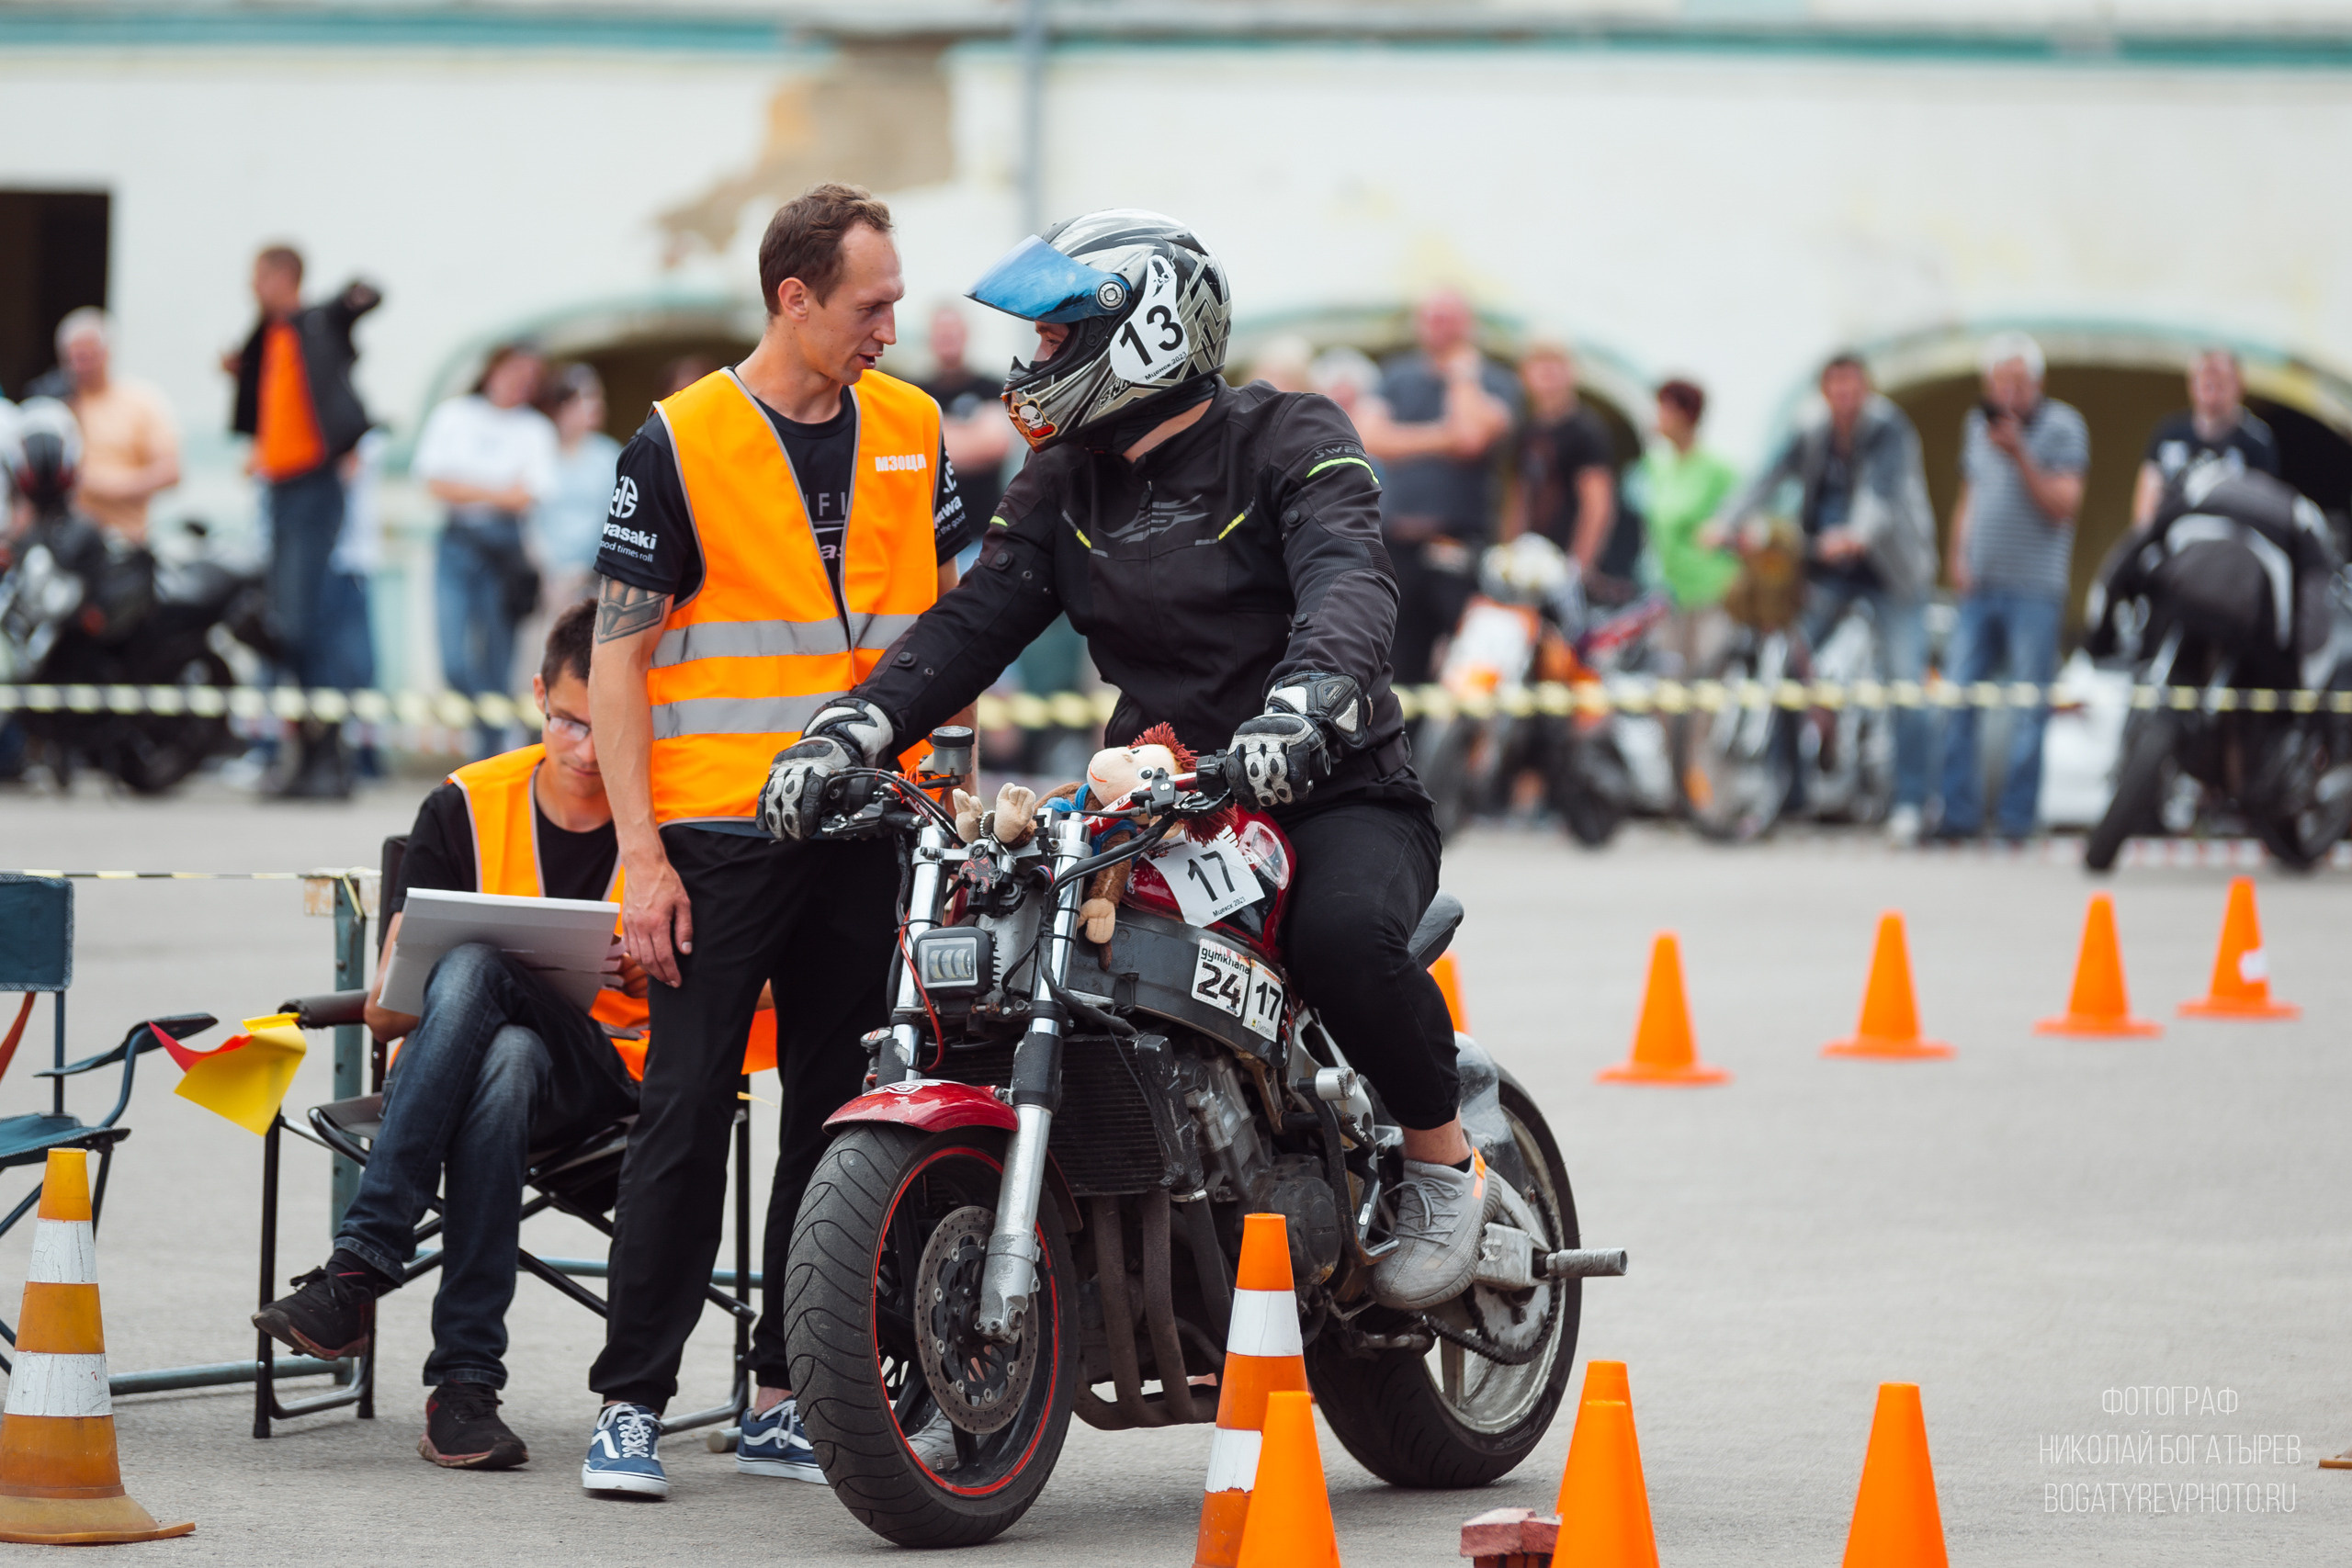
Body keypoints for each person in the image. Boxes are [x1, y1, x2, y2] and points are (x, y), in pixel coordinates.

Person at [763, 208, 1499, 1322]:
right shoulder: (1065, 480)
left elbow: (1349, 584)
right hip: (1155, 799)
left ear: (1149, 332)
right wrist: (852, 728)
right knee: (999, 951)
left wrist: (1304, 710)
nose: (1034, 360)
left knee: (1344, 937)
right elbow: (976, 619)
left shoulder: (1290, 437)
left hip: (1326, 790)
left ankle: (1445, 1166)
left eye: (1059, 337)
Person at [582, 183, 969, 1500]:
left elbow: (952, 621)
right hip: (718, 831)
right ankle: (630, 1397)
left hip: (869, 823)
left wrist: (951, 778)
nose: (891, 326)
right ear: (794, 297)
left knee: (836, 1107)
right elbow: (618, 660)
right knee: (687, 1102)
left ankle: (779, 1387)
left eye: (897, 301)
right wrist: (641, 855)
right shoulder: (677, 443)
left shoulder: (916, 428)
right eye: (872, 304)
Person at [251, 602, 647, 1475]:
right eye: (567, 721)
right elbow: (391, 1019)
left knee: (474, 967)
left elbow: (755, 987)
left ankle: (357, 1268)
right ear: (537, 693)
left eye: (606, 723)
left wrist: (653, 966)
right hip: (474, 1085)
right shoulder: (465, 805)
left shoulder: (664, 811)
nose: (584, 748)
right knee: (501, 1052)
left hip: (612, 1086)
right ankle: (463, 1393)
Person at [1718, 354, 1939, 843]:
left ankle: (1910, 803)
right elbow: (1767, 478)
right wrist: (1728, 521)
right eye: (1835, 385)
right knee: (1791, 666)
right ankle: (1788, 793)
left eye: (1853, 385)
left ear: (1867, 389)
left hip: (1892, 572)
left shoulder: (1889, 430)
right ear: (1824, 391)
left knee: (1905, 683)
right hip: (1829, 570)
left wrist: (1855, 534)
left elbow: (1881, 494)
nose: (1844, 394)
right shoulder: (1812, 430)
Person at [225, 244, 381, 796]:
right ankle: (313, 761)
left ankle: (326, 761)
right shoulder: (266, 337)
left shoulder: (316, 324)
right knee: (295, 625)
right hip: (280, 489)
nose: (252, 286)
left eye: (258, 276)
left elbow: (354, 308)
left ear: (282, 276)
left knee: (297, 624)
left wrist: (357, 296)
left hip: (315, 487)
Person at [1935, 332, 2088, 842]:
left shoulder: (2065, 427)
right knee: (1957, 700)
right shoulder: (1974, 428)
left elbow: (2062, 505)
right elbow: (1970, 494)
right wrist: (1959, 553)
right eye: (2000, 383)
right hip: (1981, 586)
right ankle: (1957, 816)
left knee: (2029, 708)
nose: (2009, 394)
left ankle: (2016, 823)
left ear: (2037, 383)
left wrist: (2020, 452)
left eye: (2018, 383)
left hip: (2035, 589)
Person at [1355, 288, 1519, 686]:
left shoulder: (1494, 381)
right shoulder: (1396, 376)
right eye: (1430, 316)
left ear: (1468, 324)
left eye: (1447, 317)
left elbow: (1473, 439)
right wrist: (1444, 436)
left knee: (1468, 661)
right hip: (1398, 542)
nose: (1437, 326)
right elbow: (1368, 437)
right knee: (1395, 659)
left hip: (1459, 543)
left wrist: (1463, 376)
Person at [413, 343, 558, 759]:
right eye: (515, 372)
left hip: (505, 550)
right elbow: (436, 483)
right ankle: (488, 730)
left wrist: (470, 488)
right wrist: (498, 491)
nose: (520, 385)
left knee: (498, 658)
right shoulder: (455, 416)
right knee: (454, 658)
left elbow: (528, 496)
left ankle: (490, 753)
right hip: (459, 544)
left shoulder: (535, 430)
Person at [1629, 378, 1740, 670]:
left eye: (1664, 410)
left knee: (1706, 670)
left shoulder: (1717, 469)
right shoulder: (1658, 466)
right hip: (1668, 589)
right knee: (1667, 672)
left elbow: (1741, 520)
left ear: (1685, 416)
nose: (1657, 418)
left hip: (1710, 589)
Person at [52, 309, 179, 545]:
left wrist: (112, 487)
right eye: (75, 358)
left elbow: (170, 471)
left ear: (107, 352)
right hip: (66, 539)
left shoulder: (141, 402)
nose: (81, 367)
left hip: (123, 539)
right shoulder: (58, 405)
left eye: (89, 357)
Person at [1506, 342, 1620, 588]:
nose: (1548, 373)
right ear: (1523, 375)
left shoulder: (1586, 430)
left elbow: (1598, 506)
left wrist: (1578, 567)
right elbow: (1520, 498)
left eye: (1556, 365)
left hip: (1564, 566)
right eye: (1540, 365)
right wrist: (1510, 555)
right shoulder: (1526, 431)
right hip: (1531, 562)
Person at [2132, 348, 2280, 526]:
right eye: (2204, 379)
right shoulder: (2170, 433)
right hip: (2169, 534)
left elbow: (2261, 508)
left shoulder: (2256, 441)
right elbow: (2146, 503)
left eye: (2220, 381)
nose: (2211, 386)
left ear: (2239, 385)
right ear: (2191, 384)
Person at [917, 304, 1014, 536]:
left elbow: (994, 445)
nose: (948, 339)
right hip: (933, 532)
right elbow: (912, 453)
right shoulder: (916, 391)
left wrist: (939, 436)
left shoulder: (992, 386)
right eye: (941, 333)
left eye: (953, 333)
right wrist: (970, 434)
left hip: (985, 529)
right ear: (930, 338)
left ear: (966, 335)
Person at [534, 364, 623, 613]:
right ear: (561, 406)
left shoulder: (608, 455)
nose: (595, 406)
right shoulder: (540, 452)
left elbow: (612, 518)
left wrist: (583, 570)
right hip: (546, 581)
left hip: (593, 578)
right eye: (585, 398)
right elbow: (531, 515)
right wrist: (548, 569)